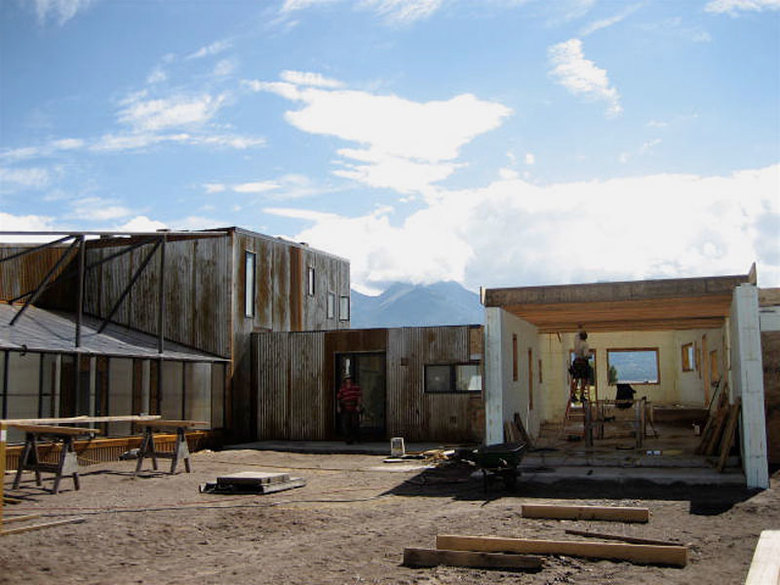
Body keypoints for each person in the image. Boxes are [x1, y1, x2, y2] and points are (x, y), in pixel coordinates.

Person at [337, 376, 363, 444]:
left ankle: (357, 438)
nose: (348, 381)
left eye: (350, 380)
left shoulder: (356, 388)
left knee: (355, 423)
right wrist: (339, 407)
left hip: (354, 407)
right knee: (346, 424)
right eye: (347, 380)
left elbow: (359, 397)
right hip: (346, 407)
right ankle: (348, 439)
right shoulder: (343, 389)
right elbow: (339, 398)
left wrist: (358, 405)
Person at [570, 329, 593, 401]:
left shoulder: (576, 341)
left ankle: (573, 395)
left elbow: (576, 335)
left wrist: (579, 329)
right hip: (583, 363)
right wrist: (590, 355)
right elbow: (585, 355)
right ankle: (582, 395)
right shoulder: (585, 344)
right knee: (584, 379)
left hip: (576, 362)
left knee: (576, 379)